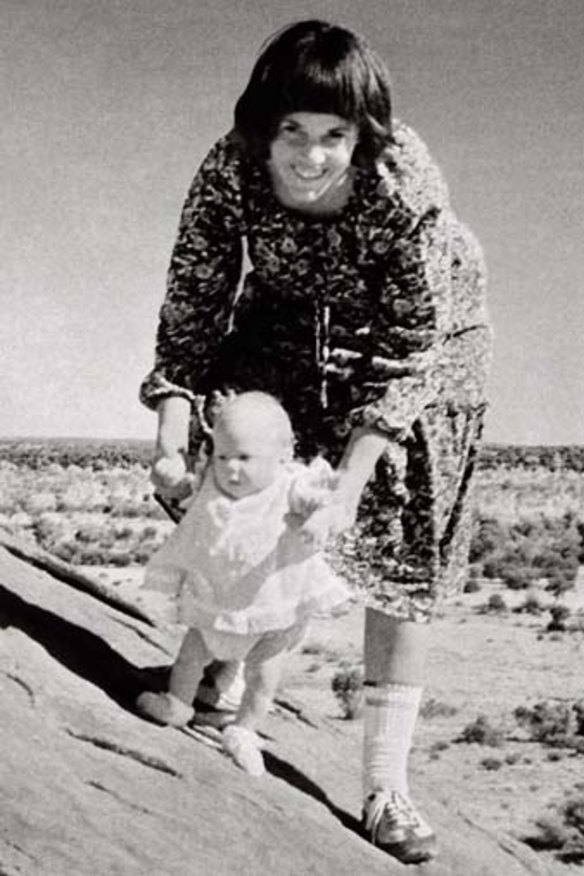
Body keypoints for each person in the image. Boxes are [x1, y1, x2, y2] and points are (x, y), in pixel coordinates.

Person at [139, 19, 492, 865]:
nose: (309, 156)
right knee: (242, 460)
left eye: (334, 135)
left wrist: (347, 483)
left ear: (362, 136)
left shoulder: (403, 189)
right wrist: (173, 439)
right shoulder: (229, 169)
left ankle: (385, 785)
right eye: (291, 131)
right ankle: (222, 679)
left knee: (401, 548)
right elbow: (193, 311)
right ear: (263, 127)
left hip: (424, 345)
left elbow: (409, 351)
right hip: (289, 318)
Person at [136, 391, 350, 777]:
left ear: (283, 455)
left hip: (269, 608)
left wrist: (320, 518)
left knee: (263, 678)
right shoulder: (211, 481)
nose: (231, 469)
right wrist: (172, 472)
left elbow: (323, 499)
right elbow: (185, 489)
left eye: (245, 459)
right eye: (222, 456)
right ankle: (176, 704)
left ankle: (245, 730)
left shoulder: (291, 485)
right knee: (189, 659)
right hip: (215, 603)